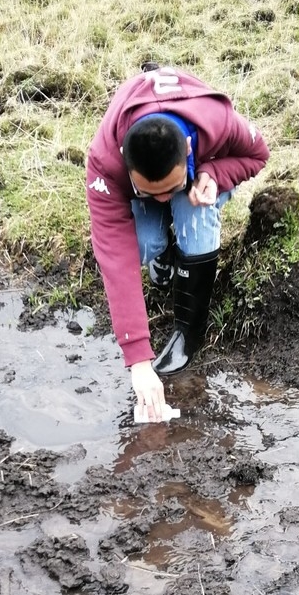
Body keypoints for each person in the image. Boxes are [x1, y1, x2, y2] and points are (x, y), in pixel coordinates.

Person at [86, 66, 270, 421]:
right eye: (149, 192)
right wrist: (138, 359)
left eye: (167, 190)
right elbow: (115, 257)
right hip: (155, 180)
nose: (161, 200)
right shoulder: (104, 161)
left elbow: (257, 155)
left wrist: (213, 175)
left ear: (188, 148)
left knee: (193, 213)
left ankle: (189, 332)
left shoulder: (217, 121)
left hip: (198, 182)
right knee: (141, 244)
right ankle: (163, 247)